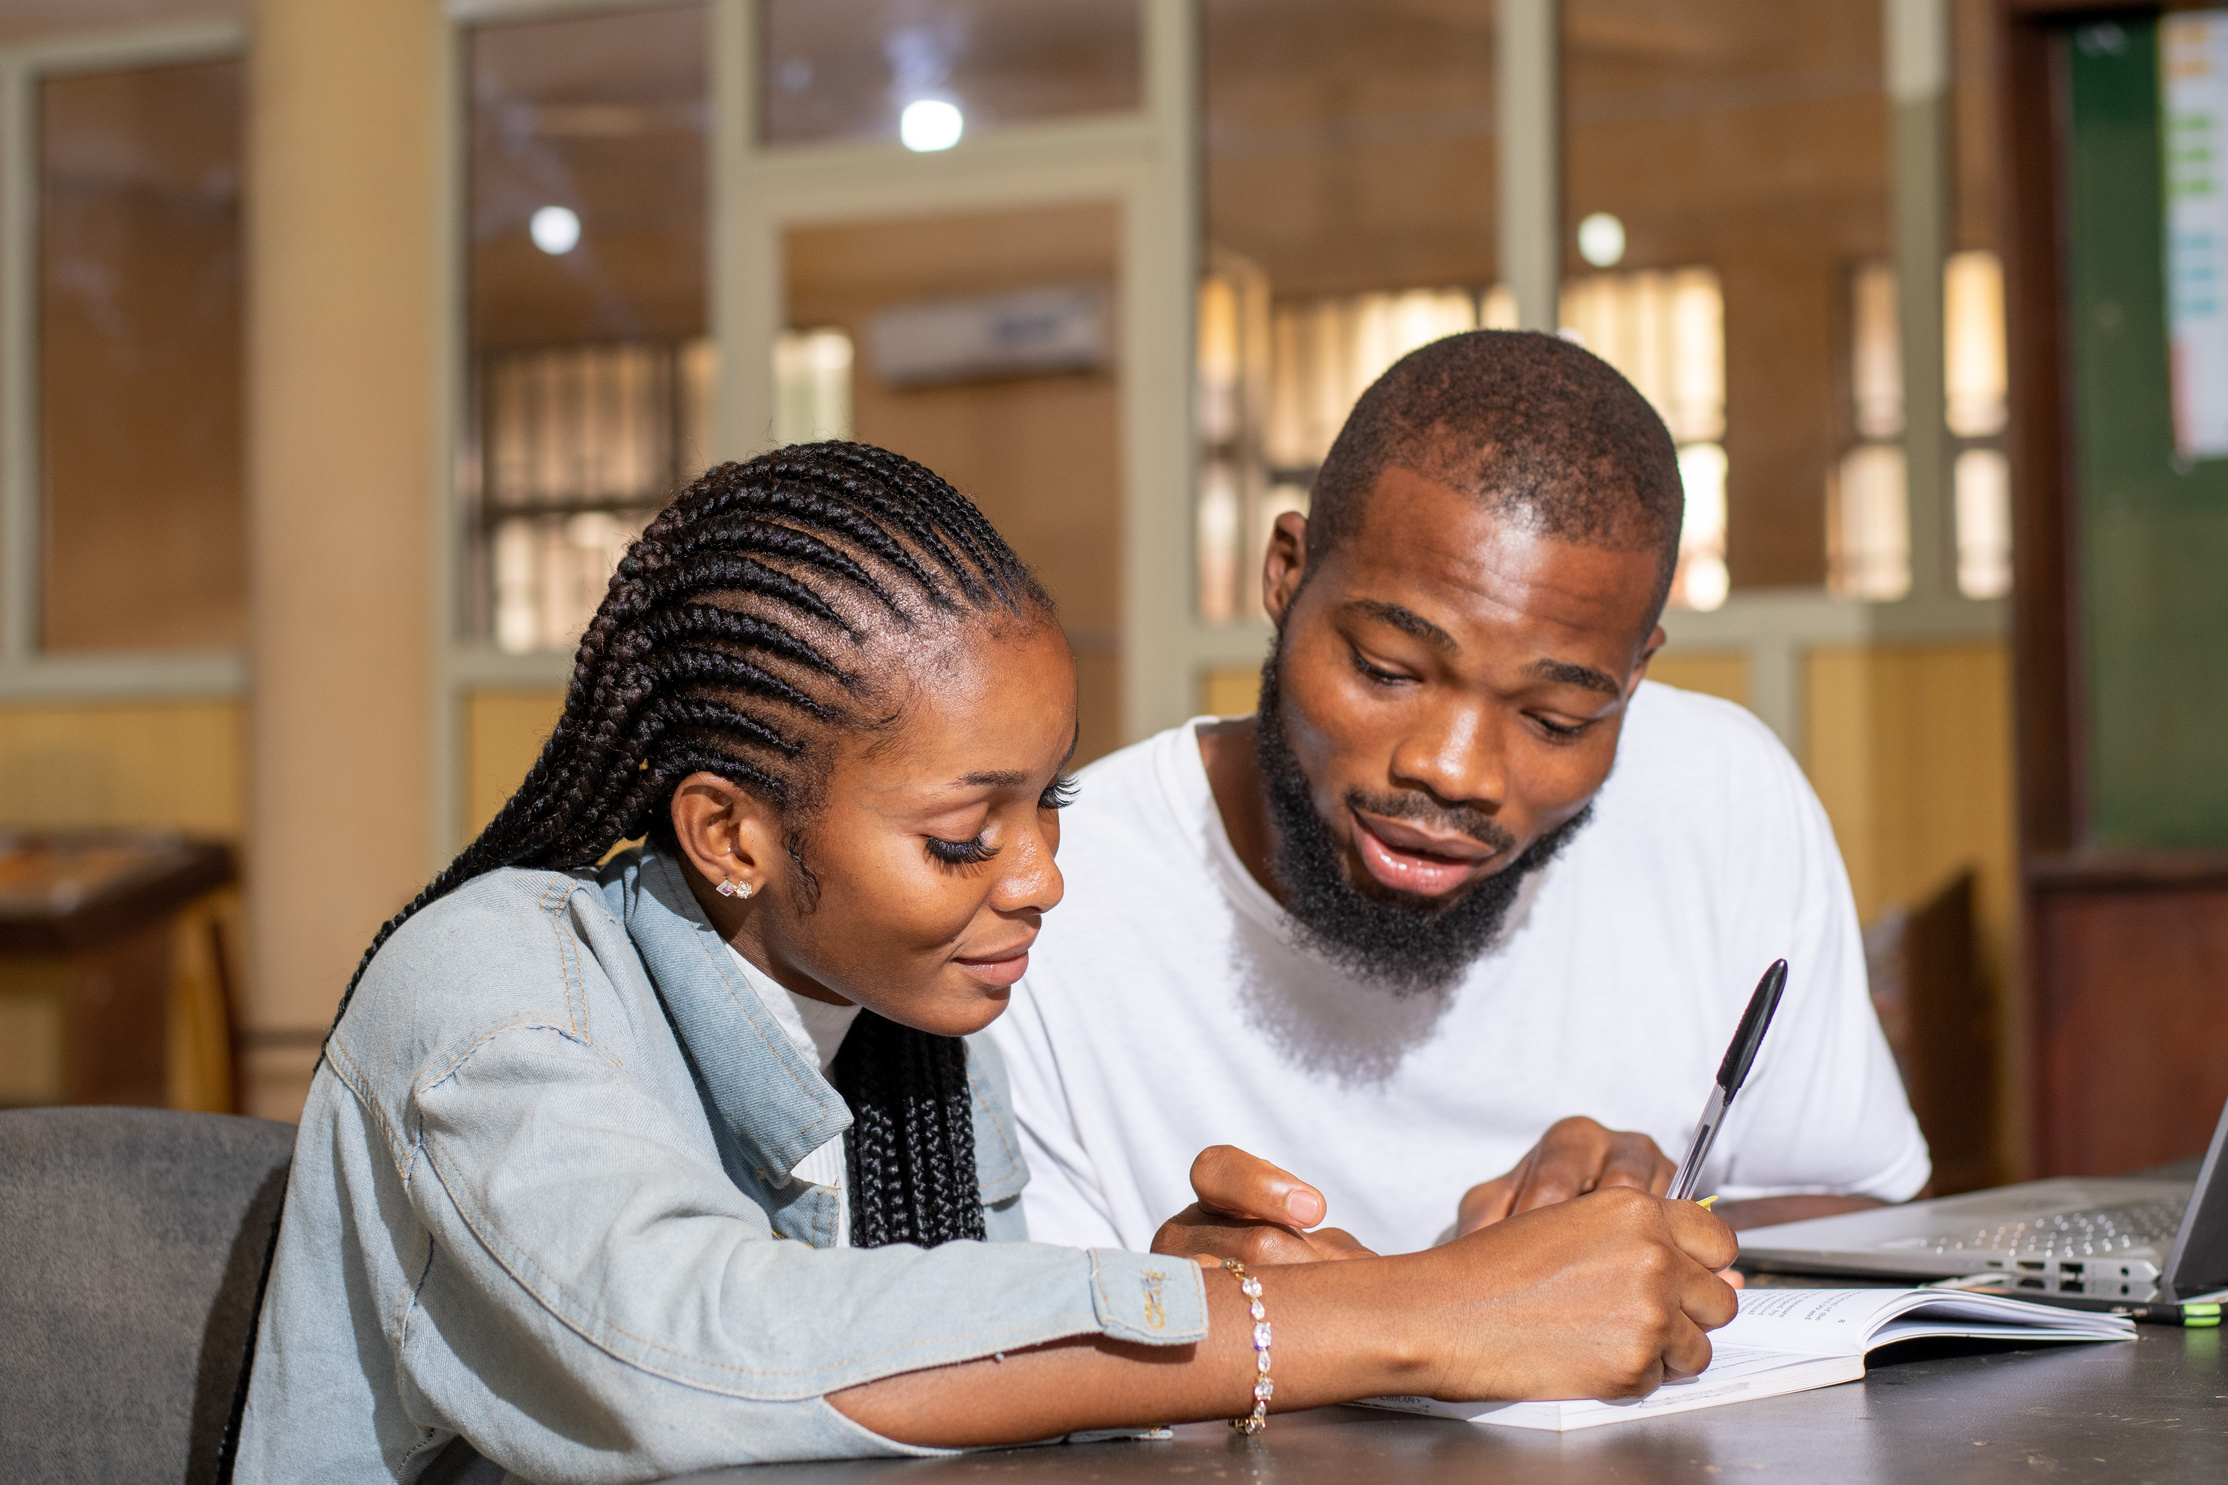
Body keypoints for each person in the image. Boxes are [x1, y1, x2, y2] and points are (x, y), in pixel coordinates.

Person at [231, 443, 1739, 1482]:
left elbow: (938, 1393)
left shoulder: (913, 1034)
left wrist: (1176, 1311)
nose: (1041, 880)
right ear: (731, 835)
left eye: (1051, 805)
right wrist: (1395, 1315)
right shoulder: (492, 992)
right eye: (967, 837)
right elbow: (704, 1360)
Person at [989, 331, 1930, 1266]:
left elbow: (1869, 1210)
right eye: (1390, 669)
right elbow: (988, 1342)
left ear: (1634, 674)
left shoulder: (1722, 796)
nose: (1456, 771)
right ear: (1287, 573)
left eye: (1556, 717)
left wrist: (1657, 1224)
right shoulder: (1049, 903)